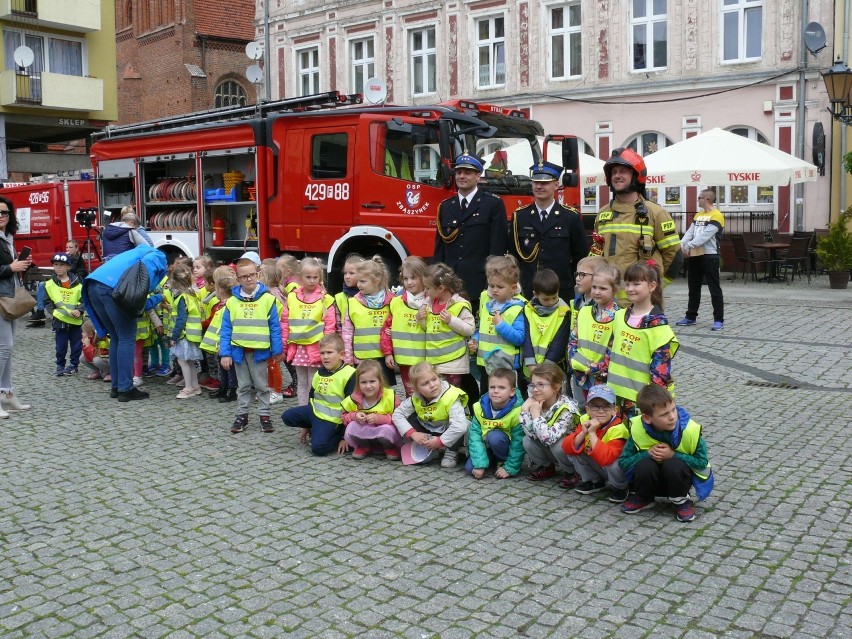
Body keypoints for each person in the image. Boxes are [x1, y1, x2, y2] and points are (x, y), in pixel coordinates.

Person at [82, 244, 167, 402]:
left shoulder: (134, 253)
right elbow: (137, 295)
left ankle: (117, 386)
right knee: (127, 338)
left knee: (116, 337)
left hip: (92, 285)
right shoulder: (158, 256)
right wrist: (159, 297)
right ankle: (126, 388)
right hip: (111, 289)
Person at [619, 384, 714, 522]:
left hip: (678, 480)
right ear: (647, 418)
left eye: (673, 410)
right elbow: (624, 462)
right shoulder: (638, 429)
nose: (672, 417)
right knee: (645, 464)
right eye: (664, 414)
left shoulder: (689, 430)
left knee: (674, 464)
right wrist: (647, 454)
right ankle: (644, 497)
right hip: (649, 481)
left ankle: (681, 501)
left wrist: (674, 455)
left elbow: (702, 462)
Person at [593, 148, 682, 289]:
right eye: (614, 172)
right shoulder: (603, 213)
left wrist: (655, 288)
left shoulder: (655, 213)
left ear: (636, 176)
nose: (617, 176)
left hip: (642, 304)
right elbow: (596, 252)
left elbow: (674, 255)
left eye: (623, 171)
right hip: (608, 302)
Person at [601, 261, 678, 418]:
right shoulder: (619, 316)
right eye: (627, 284)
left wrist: (653, 404)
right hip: (614, 395)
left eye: (636, 284)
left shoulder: (658, 327)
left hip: (640, 401)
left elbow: (660, 374)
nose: (629, 289)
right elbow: (610, 352)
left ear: (652, 286)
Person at [220, 252, 283, 433]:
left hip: (260, 352)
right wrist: (225, 353)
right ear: (238, 279)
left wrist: (277, 350)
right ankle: (242, 415)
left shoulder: (268, 299)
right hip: (239, 352)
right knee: (243, 386)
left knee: (262, 386)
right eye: (244, 276)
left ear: (257, 274)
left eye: (251, 275)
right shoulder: (232, 302)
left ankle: (264, 415)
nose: (248, 279)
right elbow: (226, 330)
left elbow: (274, 327)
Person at [433, 154, 508, 305]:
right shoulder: (446, 206)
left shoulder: (492, 204)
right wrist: (435, 277)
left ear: (478, 176)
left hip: (478, 281)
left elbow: (497, 247)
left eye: (467, 173)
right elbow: (440, 248)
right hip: (449, 283)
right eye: (459, 172)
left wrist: (492, 280)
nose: (462, 176)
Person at [510, 161, 588, 298]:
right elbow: (513, 255)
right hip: (528, 289)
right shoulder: (519, 216)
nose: (539, 186)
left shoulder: (570, 217)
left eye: (544, 183)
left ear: (556, 185)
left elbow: (580, 256)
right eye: (535, 182)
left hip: (560, 288)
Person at [281, 333, 356, 456]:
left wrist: (345, 437)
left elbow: (352, 408)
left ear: (341, 354)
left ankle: (334, 435)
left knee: (319, 449)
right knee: (287, 416)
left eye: (329, 353)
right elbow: (312, 397)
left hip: (334, 420)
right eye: (322, 353)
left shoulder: (350, 374)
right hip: (315, 412)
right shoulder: (319, 372)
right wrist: (305, 425)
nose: (325, 357)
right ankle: (314, 427)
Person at [392, 361, 469, 468]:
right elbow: (397, 414)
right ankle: (429, 448)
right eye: (425, 383)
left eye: (434, 379)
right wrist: (413, 434)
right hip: (431, 427)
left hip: (451, 432)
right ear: (416, 388)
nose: (432, 385)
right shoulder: (416, 398)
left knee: (461, 424)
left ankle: (451, 451)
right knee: (410, 417)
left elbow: (460, 426)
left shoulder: (451, 395)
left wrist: (440, 441)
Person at [282, 257, 336, 406]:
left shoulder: (325, 299)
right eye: (308, 277)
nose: (312, 281)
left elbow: (330, 325)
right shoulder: (292, 297)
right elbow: (285, 322)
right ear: (300, 277)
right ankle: (303, 413)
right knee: (302, 382)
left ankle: (315, 413)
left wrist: (327, 349)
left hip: (316, 347)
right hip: (298, 347)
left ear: (320, 278)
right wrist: (283, 346)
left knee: (314, 382)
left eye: (315, 277)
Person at [561, 384, 629, 503]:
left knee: (613, 464)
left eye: (606, 407)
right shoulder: (585, 419)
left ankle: (621, 488)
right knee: (576, 450)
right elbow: (566, 448)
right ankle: (595, 482)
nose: (601, 411)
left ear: (615, 410)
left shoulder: (618, 429)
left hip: (615, 469)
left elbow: (606, 458)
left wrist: (592, 433)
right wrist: (582, 433)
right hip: (600, 466)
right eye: (595, 407)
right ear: (587, 409)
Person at [469, 255, 526, 394]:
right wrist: (476, 340)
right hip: (485, 364)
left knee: (506, 398)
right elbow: (481, 329)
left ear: (513, 288)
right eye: (491, 286)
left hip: (506, 366)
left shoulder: (518, 308)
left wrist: (501, 325)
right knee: (486, 396)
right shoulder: (488, 305)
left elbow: (519, 338)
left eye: (500, 287)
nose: (494, 290)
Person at [568, 264, 620, 410]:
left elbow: (614, 349)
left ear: (615, 290)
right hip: (581, 374)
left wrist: (596, 368)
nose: (597, 292)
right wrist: (575, 360)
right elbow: (573, 339)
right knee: (584, 408)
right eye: (594, 287)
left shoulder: (619, 317)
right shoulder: (584, 311)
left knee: (602, 411)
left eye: (603, 288)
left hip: (603, 378)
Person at [520, 361, 580, 486]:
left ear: (556, 387)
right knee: (527, 440)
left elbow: (548, 439)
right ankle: (546, 467)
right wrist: (525, 410)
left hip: (570, 454)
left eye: (541, 385)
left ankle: (572, 472)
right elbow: (531, 434)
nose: (535, 390)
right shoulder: (536, 403)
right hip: (550, 448)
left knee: (558, 445)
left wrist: (535, 415)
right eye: (533, 385)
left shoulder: (566, 408)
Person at [417, 263, 475, 388]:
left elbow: (470, 329)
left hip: (453, 363)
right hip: (433, 362)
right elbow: (427, 328)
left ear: (441, 288)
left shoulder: (460, 304)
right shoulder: (427, 304)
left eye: (427, 288)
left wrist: (451, 321)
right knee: (436, 395)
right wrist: (420, 319)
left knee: (451, 396)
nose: (425, 292)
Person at [342, 256, 396, 386]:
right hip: (362, 358)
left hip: (384, 358)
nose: (358, 284)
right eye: (358, 281)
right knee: (366, 390)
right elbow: (347, 333)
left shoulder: (392, 301)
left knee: (386, 392)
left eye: (362, 281)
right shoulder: (353, 302)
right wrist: (348, 359)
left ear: (376, 281)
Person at [676, 188, 725, 331]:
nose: (698, 200)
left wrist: (688, 246)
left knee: (714, 288)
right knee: (693, 287)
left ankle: (718, 319)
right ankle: (691, 316)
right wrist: (682, 244)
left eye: (699, 198)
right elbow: (690, 232)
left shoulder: (717, 216)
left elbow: (705, 236)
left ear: (707, 199)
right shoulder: (698, 215)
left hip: (710, 256)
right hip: (695, 255)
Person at [381, 255, 428, 397]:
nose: (409, 282)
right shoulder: (396, 302)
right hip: (404, 361)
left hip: (425, 360)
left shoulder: (431, 301)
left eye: (413, 278)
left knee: (427, 391)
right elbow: (386, 329)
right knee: (411, 393)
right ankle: (412, 418)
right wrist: (388, 352)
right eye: (406, 279)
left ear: (423, 278)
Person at [466, 367, 525, 479]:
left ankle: (502, 462)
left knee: (495, 436)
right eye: (492, 387)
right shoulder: (479, 408)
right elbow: (475, 436)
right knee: (470, 469)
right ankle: (489, 460)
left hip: (505, 448)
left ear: (512, 391)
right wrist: (479, 464)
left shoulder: (518, 411)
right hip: (486, 446)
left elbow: (519, 442)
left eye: (501, 387)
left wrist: (510, 467)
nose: (495, 391)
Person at [340, 359, 402, 460]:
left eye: (372, 381)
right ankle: (363, 446)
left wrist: (380, 419)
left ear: (380, 381)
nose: (368, 386)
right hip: (364, 432)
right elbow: (343, 416)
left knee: (387, 430)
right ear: (358, 383)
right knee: (351, 426)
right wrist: (354, 416)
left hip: (384, 433)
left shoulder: (390, 397)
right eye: (364, 382)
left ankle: (389, 448)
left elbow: (399, 417)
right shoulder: (354, 398)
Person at [521, 268, 570, 391]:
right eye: (546, 299)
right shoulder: (527, 309)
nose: (551, 302)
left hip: (553, 368)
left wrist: (545, 369)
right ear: (535, 294)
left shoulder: (564, 311)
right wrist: (531, 365)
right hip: (530, 369)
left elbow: (559, 343)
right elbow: (526, 338)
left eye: (554, 297)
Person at [27, 239, 87, 328]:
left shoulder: (77, 258)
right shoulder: (67, 258)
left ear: (76, 249)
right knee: (43, 285)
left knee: (44, 285)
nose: (68, 249)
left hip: (74, 282)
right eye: (67, 247)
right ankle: (40, 311)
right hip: (63, 280)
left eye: (70, 247)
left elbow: (70, 271)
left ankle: (41, 312)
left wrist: (66, 258)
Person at [44, 253, 84, 376]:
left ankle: (73, 365)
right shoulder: (50, 284)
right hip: (59, 320)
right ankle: (60, 365)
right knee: (60, 346)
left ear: (68, 267)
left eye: (61, 265)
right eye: (56, 265)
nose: (58, 268)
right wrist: (53, 313)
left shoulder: (78, 283)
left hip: (75, 320)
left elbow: (84, 299)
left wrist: (80, 310)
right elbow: (47, 302)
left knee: (76, 345)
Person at [201, 272, 238, 403]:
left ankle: (231, 389)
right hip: (219, 343)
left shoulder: (229, 306)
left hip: (226, 344)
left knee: (229, 368)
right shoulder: (221, 304)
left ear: (221, 290)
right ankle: (223, 387)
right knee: (222, 367)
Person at [168, 264, 204, 399]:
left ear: (175, 282)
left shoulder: (182, 296)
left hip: (184, 334)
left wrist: (174, 336)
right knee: (189, 361)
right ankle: (195, 386)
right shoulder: (192, 294)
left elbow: (181, 319)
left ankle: (188, 387)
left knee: (183, 361)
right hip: (192, 333)